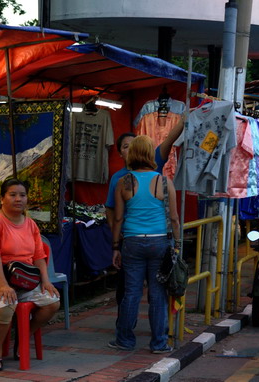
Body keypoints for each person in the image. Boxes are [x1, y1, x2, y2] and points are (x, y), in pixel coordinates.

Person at [0, 178, 60, 371]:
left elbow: (39, 257)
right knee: (6, 302)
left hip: (23, 281)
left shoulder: (30, 224)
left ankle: (23, 338)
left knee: (52, 301)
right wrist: (3, 285)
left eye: (22, 195)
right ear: (2, 198)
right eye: (12, 195)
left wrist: (46, 281)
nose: (18, 199)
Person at [108, 135, 181, 353]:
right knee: (158, 294)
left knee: (131, 293)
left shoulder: (124, 182)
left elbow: (118, 218)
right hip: (160, 242)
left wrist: (114, 247)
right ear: (150, 154)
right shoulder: (164, 181)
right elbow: (174, 218)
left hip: (132, 242)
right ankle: (159, 343)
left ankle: (125, 340)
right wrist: (176, 245)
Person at [105, 116, 185, 308]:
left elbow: (170, 140)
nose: (131, 148)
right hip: (131, 239)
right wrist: (118, 238)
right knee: (129, 289)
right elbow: (111, 211)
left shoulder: (154, 162)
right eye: (125, 146)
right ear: (120, 153)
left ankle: (131, 335)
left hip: (146, 239)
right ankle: (139, 332)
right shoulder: (117, 178)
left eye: (134, 144)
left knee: (151, 290)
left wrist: (184, 119)